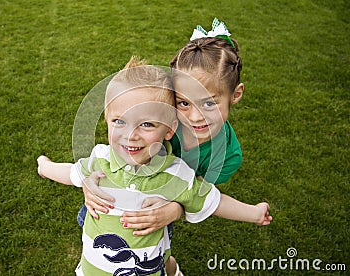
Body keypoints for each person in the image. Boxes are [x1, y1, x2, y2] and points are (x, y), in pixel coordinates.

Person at [37, 57, 272, 275]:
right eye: (119, 121)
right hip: (92, 269)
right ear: (107, 120)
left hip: (147, 266)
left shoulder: (176, 173)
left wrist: (254, 213)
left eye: (146, 124)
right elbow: (69, 172)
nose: (131, 135)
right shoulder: (101, 158)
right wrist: (44, 166)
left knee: (164, 256)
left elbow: (214, 200)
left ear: (169, 130)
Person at [79, 18, 247, 275]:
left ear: (235, 95)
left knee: (154, 246)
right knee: (100, 232)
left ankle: (168, 266)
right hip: (114, 195)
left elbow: (197, 193)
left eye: (209, 104)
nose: (194, 117)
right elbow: (119, 148)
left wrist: (174, 210)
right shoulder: (158, 122)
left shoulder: (228, 156)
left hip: (157, 206)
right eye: (184, 103)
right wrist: (89, 181)